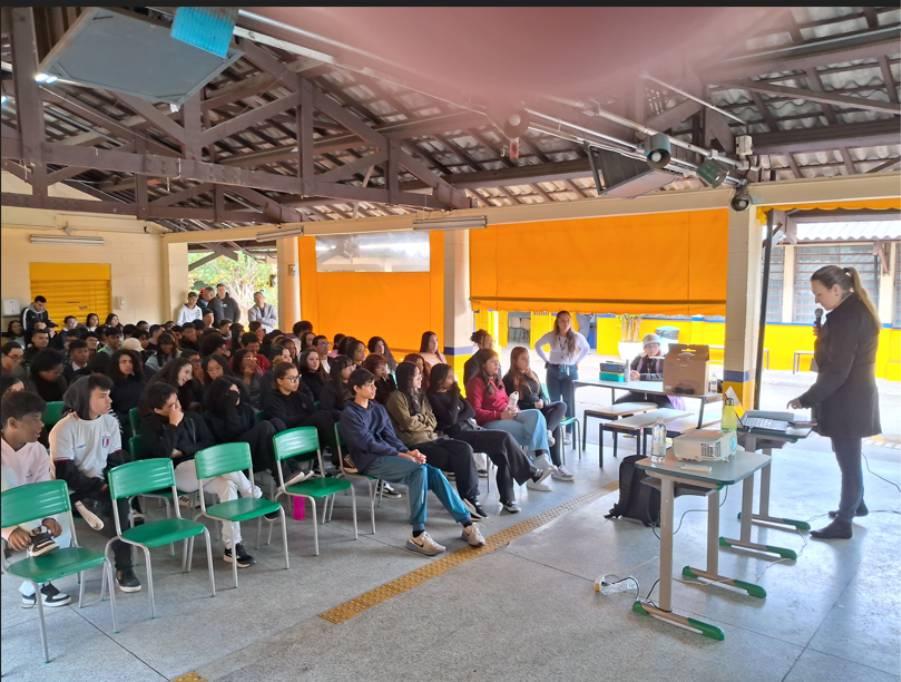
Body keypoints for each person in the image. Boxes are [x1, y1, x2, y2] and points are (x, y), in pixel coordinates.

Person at [339, 368, 485, 555]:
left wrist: (409, 451)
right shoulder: (350, 415)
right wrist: (401, 455)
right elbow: (367, 444)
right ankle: (418, 534)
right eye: (369, 385)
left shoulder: (378, 408)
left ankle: (466, 523)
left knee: (433, 472)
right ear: (356, 388)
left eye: (374, 384)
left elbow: (390, 436)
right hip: (369, 461)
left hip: (389, 456)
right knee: (419, 470)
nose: (374, 388)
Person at [787, 265, 881, 541]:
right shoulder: (849, 312)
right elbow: (831, 360)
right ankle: (857, 504)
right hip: (853, 398)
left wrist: (806, 399)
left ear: (836, 290)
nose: (817, 300)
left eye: (819, 294)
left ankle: (844, 521)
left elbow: (837, 371)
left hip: (848, 401)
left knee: (848, 460)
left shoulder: (847, 318)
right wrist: (823, 338)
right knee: (848, 457)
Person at [139, 382, 261, 567]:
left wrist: (183, 450)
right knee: (217, 462)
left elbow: (208, 443)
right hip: (176, 475)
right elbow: (162, 455)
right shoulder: (149, 426)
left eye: (177, 401)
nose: (177, 407)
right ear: (157, 409)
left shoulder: (192, 417)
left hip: (203, 468)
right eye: (171, 406)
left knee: (227, 485)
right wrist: (173, 425)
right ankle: (251, 492)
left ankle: (233, 546)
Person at [49, 374, 141, 592]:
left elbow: (115, 460)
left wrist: (113, 482)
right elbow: (66, 475)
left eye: (109, 396)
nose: (109, 401)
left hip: (102, 485)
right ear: (84, 398)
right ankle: (124, 567)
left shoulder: (110, 422)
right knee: (119, 510)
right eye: (102, 397)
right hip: (75, 490)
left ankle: (122, 553)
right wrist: (100, 487)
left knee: (119, 503)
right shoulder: (64, 429)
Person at [429, 364, 553, 512]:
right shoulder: (434, 396)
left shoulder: (452, 392)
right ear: (440, 379)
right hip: (457, 435)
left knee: (503, 453)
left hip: (471, 428)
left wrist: (457, 413)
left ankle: (508, 499)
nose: (453, 380)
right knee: (503, 437)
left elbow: (470, 411)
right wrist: (456, 402)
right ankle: (532, 472)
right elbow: (450, 419)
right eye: (449, 377)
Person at [386, 362, 486, 518]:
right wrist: (423, 421)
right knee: (451, 459)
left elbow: (433, 421)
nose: (421, 377)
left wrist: (420, 420)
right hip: (415, 444)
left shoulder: (421, 395)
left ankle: (470, 497)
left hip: (433, 437)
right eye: (417, 375)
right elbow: (407, 423)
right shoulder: (396, 397)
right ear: (407, 378)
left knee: (464, 448)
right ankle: (464, 501)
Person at [1, 390, 72, 607]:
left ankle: (35, 586)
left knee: (63, 525)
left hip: (30, 513)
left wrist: (48, 517)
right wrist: (9, 530)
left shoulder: (38, 450)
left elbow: (44, 489)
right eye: (34, 420)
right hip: (6, 515)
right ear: (13, 423)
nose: (41, 425)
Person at [466, 349, 555, 470]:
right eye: (493, 362)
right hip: (490, 422)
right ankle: (536, 463)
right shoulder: (475, 383)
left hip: (508, 414)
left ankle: (537, 460)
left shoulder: (496, 380)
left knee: (537, 415)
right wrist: (500, 415)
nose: (497, 365)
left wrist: (514, 407)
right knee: (531, 430)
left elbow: (505, 399)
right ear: (483, 364)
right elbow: (475, 412)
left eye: (497, 362)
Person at [503, 346, 573, 480]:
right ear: (514, 360)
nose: (527, 361)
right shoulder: (509, 379)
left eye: (528, 358)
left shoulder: (532, 374)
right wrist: (533, 405)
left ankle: (547, 431)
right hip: (528, 413)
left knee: (561, 405)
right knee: (556, 425)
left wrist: (542, 401)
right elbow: (514, 403)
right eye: (523, 359)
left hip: (541, 408)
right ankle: (557, 466)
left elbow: (543, 394)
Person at [204, 377, 286, 480]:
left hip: (255, 452)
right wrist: (230, 408)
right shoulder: (212, 416)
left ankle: (291, 467)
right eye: (231, 394)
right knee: (265, 426)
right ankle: (282, 476)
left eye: (236, 392)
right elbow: (232, 434)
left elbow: (257, 435)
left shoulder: (245, 409)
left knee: (276, 422)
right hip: (232, 456)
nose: (235, 396)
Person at [534, 310, 590, 444]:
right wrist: (545, 360)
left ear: (571, 322)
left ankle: (569, 433)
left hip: (570, 371)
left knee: (568, 401)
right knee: (554, 401)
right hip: (553, 370)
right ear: (557, 322)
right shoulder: (552, 335)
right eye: (562, 320)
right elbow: (537, 345)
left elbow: (586, 349)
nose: (565, 323)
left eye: (567, 321)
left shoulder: (576, 336)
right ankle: (555, 430)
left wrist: (576, 361)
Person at [261, 361, 336, 452]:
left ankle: (342, 453)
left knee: (331, 415)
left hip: (305, 433)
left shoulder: (299, 395)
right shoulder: (272, 399)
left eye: (297, 377)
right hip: (289, 437)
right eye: (292, 378)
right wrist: (306, 416)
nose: (296, 382)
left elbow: (312, 411)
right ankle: (339, 455)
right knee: (321, 417)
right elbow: (282, 421)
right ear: (279, 381)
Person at [615, 333, 674, 408]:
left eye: (654, 346)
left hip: (661, 394)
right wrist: (631, 373)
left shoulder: (666, 357)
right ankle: (631, 419)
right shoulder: (640, 357)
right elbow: (630, 369)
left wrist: (641, 376)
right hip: (641, 393)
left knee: (668, 410)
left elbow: (665, 376)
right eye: (648, 347)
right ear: (644, 348)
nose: (652, 349)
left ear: (659, 346)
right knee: (618, 403)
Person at [109, 349, 146, 435]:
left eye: (130, 362)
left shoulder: (138, 381)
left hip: (140, 420)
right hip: (121, 424)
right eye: (123, 362)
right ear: (116, 364)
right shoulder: (110, 383)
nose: (128, 365)